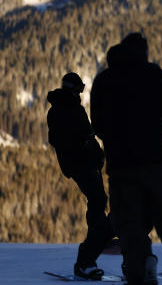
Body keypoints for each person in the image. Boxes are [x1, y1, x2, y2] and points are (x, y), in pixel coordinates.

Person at [91, 33, 162, 285]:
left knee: (130, 224)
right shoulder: (153, 73)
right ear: (142, 51)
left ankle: (141, 268)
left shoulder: (104, 80)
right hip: (155, 164)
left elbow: (97, 126)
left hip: (121, 166)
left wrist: (116, 135)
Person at [47, 71, 116, 280]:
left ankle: (97, 235)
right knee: (97, 199)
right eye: (79, 89)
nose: (80, 93)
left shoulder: (73, 108)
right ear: (72, 88)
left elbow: (88, 134)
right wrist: (85, 147)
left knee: (99, 199)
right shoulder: (61, 110)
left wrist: (96, 153)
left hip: (85, 163)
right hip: (79, 164)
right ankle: (96, 238)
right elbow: (61, 139)